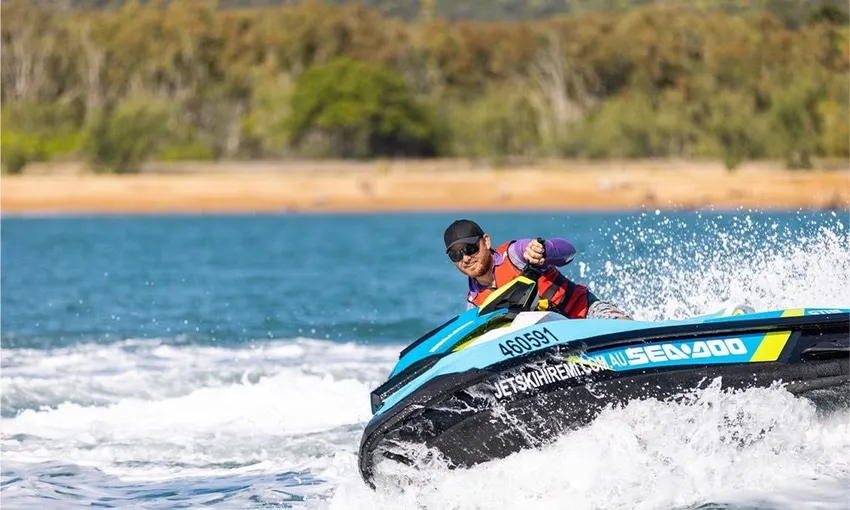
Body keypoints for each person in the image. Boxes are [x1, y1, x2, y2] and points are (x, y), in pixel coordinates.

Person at [443, 218, 631, 320]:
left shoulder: (517, 254)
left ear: (486, 241)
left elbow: (569, 252)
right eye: (456, 255)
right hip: (552, 345)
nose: (465, 258)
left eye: (469, 249)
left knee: (621, 326)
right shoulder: (474, 304)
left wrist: (545, 250)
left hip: (586, 313)